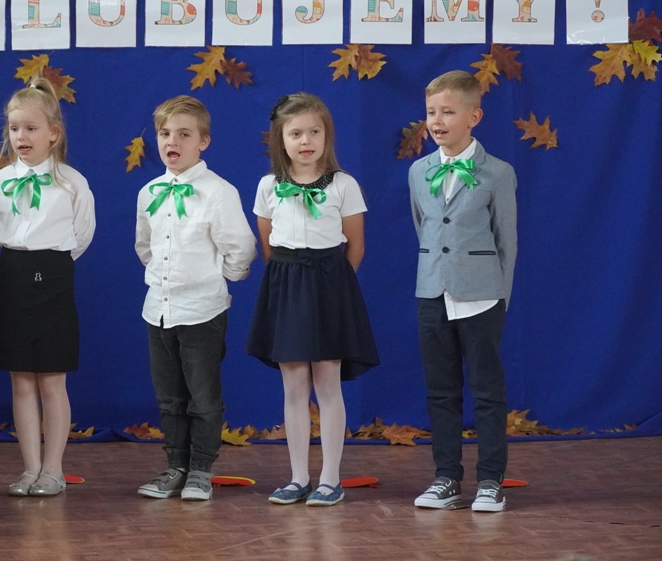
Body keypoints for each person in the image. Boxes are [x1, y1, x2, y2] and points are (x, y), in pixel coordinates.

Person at [245, 93, 379, 507]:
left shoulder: (343, 185)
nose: (306, 141)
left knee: (327, 381)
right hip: (287, 284)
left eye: (314, 132)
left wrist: (331, 285)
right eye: (296, 133)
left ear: (327, 136)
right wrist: (291, 281)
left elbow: (355, 246)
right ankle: (298, 477)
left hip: (329, 284)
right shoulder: (268, 186)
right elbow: (268, 246)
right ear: (280, 139)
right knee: (293, 386)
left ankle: (330, 479)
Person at [135, 95, 256, 502]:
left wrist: (218, 279)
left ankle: (201, 469)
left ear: (203, 141)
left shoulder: (218, 192)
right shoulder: (149, 192)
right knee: (170, 396)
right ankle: (176, 465)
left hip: (202, 311)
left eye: (184, 134)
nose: (172, 141)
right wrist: (165, 278)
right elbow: (145, 245)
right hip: (158, 310)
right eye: (165, 133)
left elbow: (240, 246)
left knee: (203, 397)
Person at [408, 70, 517, 513]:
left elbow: (507, 241)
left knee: (487, 391)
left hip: (481, 295)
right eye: (431, 112)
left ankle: (490, 480)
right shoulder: (419, 171)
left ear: (474, 116)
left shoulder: (497, 172)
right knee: (441, 390)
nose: (437, 121)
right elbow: (424, 226)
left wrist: (500, 298)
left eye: (448, 112)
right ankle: (446, 478)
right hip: (432, 290)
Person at [0, 78, 95, 498]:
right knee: (21, 380)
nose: (22, 136)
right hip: (13, 274)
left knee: (51, 379)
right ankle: (30, 468)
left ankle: (53, 470)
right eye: (15, 128)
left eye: (31, 128)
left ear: (53, 132)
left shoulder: (71, 183)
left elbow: (81, 235)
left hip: (54, 275)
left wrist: (50, 265)